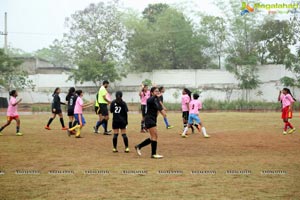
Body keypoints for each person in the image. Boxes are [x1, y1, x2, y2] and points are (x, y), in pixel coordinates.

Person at [135, 87, 164, 159]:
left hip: (153, 119)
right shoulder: (150, 99)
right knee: (154, 136)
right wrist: (156, 96)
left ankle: (139, 146)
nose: (157, 92)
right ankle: (153, 154)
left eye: (158, 91)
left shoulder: (156, 100)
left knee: (153, 137)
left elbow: (160, 108)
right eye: (155, 91)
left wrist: (163, 113)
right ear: (151, 93)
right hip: (149, 119)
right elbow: (149, 100)